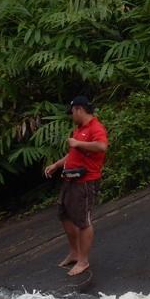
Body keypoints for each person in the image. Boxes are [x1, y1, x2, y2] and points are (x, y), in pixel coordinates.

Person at [44, 95, 109, 276]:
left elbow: (102, 146)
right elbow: (73, 153)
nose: (71, 115)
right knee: (64, 216)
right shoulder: (79, 129)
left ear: (79, 109)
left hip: (85, 182)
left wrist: (79, 143)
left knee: (82, 221)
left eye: (72, 112)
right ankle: (74, 252)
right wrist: (57, 165)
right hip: (70, 178)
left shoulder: (95, 127)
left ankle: (83, 261)